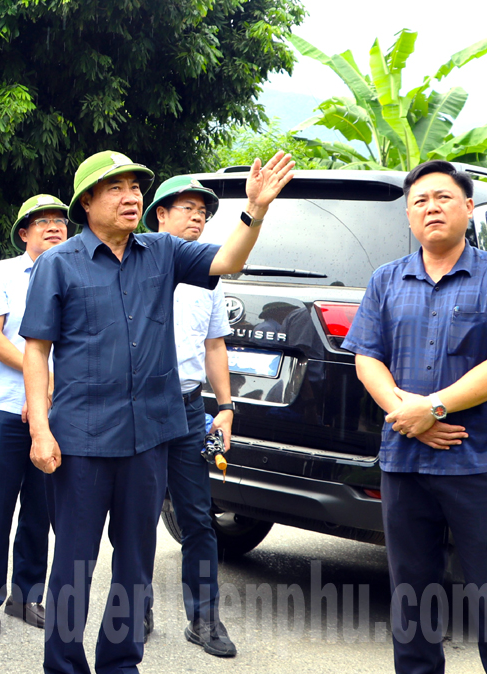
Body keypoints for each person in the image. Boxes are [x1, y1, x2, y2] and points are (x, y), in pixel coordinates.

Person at [21, 149, 294, 674]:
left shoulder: (163, 251)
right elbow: (36, 351)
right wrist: (40, 428)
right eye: (116, 189)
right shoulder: (58, 265)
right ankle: (63, 664)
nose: (132, 197)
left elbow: (227, 261)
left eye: (135, 187)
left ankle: (121, 662)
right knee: (74, 564)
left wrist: (254, 211)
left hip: (149, 438)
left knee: (135, 564)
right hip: (80, 438)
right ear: (87, 202)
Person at [341, 159, 487, 674]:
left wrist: (432, 407)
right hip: (405, 463)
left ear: (468, 208)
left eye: (443, 198)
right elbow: (367, 359)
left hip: (477, 464)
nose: (431, 208)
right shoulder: (386, 280)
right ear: (409, 217)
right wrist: (407, 415)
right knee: (412, 600)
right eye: (420, 202)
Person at [0, 194, 72, 637]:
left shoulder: (77, 273)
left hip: (57, 413)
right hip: (8, 409)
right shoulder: (2, 273)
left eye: (60, 221)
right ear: (24, 232)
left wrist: (51, 392)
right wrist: (42, 381)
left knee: (41, 510)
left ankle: (28, 596)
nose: (54, 227)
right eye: (42, 221)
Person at [142, 175, 237, 657]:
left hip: (186, 406)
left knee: (198, 517)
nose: (198, 216)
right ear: (160, 213)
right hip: (139, 406)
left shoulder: (207, 277)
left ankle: (205, 619)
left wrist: (224, 407)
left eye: (204, 210)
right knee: (137, 514)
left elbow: (214, 345)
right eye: (187, 207)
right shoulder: (137, 262)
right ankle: (134, 608)